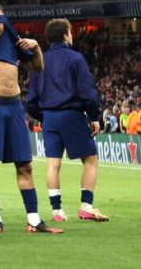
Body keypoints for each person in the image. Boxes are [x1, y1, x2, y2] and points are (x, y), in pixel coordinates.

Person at [0, 1, 61, 235]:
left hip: (14, 106)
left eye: (3, 17)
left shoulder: (10, 37)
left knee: (25, 165)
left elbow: (37, 67)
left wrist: (37, 46)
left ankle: (34, 220)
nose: (2, 23)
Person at [25, 18, 108, 223]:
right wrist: (94, 116)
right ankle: (86, 207)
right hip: (71, 115)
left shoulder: (39, 59)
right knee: (90, 160)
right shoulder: (75, 58)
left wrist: (45, 116)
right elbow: (88, 92)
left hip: (50, 118)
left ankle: (57, 212)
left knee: (53, 163)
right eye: (70, 32)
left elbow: (31, 100)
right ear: (65, 34)